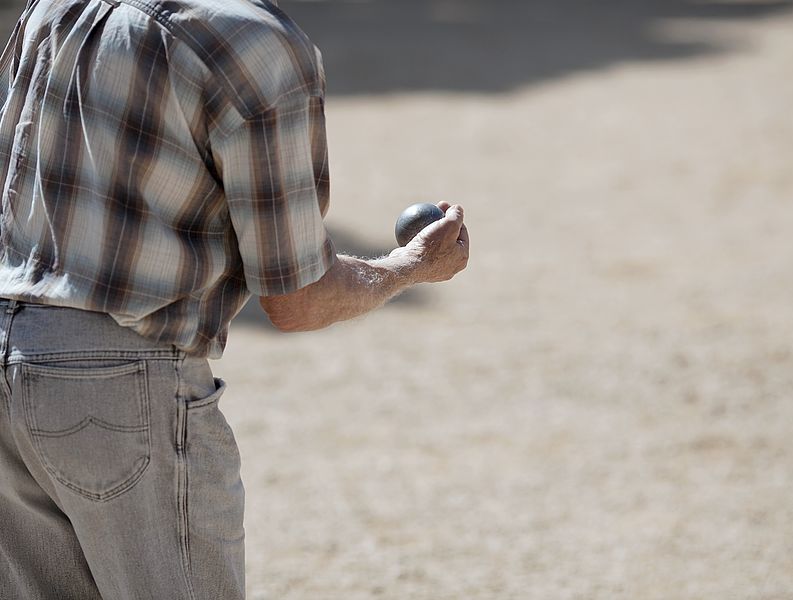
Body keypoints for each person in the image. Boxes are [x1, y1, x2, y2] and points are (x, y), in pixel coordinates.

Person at [0, 0, 469, 597]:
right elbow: (298, 298)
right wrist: (409, 267)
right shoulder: (252, 43)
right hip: (119, 387)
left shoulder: (58, 7)